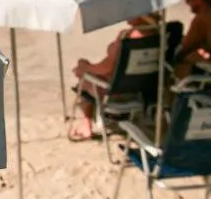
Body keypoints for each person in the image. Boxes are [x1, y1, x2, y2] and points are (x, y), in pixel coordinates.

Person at [69, 13, 161, 141]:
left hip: (116, 92)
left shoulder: (128, 36)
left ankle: (86, 122)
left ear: (141, 14)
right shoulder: (159, 35)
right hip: (142, 89)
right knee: (87, 71)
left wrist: (85, 68)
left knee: (84, 75)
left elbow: (107, 67)